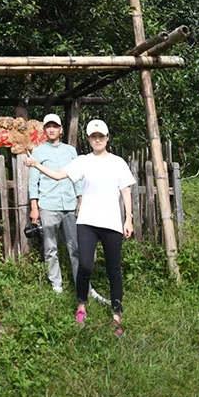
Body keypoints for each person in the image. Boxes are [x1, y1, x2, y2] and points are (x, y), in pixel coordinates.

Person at [26, 118, 135, 336]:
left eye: (101, 136)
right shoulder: (83, 161)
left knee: (114, 270)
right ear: (89, 139)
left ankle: (116, 315)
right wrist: (36, 164)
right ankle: (81, 307)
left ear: (107, 138)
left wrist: (128, 218)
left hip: (112, 223)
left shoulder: (118, 162)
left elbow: (125, 191)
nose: (97, 140)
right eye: (93, 137)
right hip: (87, 223)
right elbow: (59, 175)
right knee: (85, 265)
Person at [28, 113, 81, 294]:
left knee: (75, 247)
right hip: (48, 205)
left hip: (69, 205)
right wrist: (34, 208)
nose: (51, 129)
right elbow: (33, 182)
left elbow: (77, 178)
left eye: (55, 126)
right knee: (51, 248)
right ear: (44, 130)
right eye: (48, 126)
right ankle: (56, 285)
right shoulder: (38, 152)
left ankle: (81, 284)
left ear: (61, 129)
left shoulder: (70, 151)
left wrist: (79, 199)